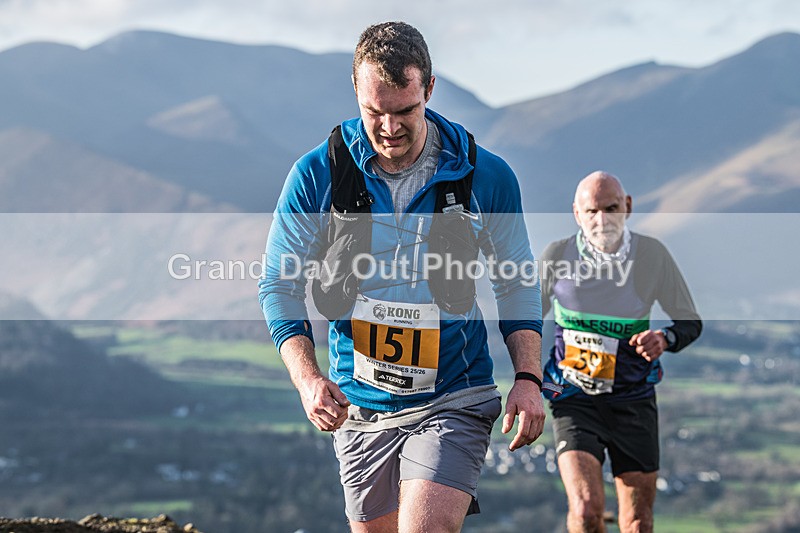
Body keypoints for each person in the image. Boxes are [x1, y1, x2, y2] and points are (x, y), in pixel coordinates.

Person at [258, 21, 545, 532]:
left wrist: (528, 378)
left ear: (429, 90)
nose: (389, 127)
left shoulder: (485, 176)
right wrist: (308, 380)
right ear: (355, 90)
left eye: (405, 111)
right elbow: (279, 283)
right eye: (375, 112)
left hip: (453, 394)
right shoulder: (316, 174)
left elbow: (516, 282)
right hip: (360, 406)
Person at [539, 171, 702, 533]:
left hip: (633, 400)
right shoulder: (557, 255)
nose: (602, 220)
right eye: (591, 211)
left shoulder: (652, 256)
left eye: (611, 208)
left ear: (627, 206)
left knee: (637, 522)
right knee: (585, 512)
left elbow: (690, 322)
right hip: (574, 398)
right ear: (577, 214)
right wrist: (526, 378)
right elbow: (528, 319)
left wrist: (665, 338)